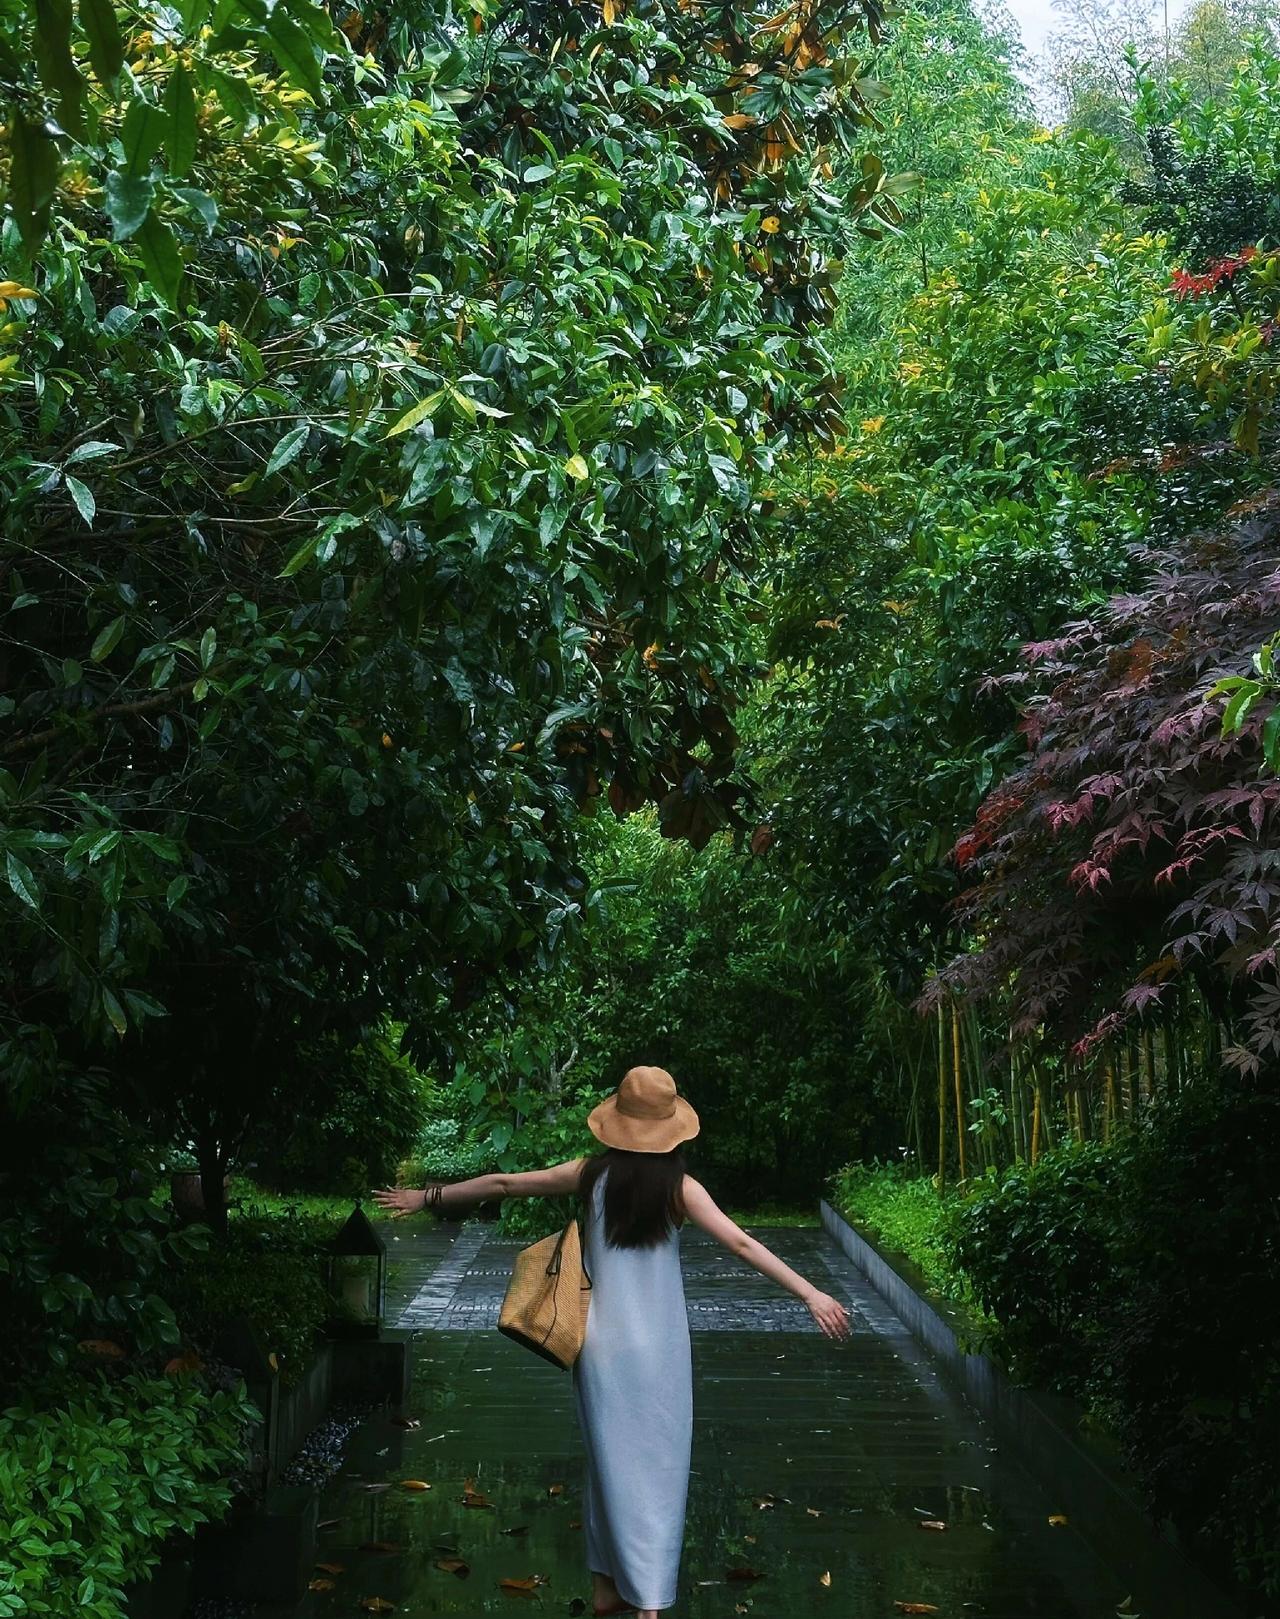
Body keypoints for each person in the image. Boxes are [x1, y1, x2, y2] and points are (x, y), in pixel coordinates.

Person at [374, 1065, 851, 1618]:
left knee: (608, 1465)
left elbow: (505, 1184)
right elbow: (742, 1244)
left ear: (617, 1124)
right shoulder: (681, 1189)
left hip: (599, 1347)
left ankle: (609, 1590)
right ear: (671, 1129)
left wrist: (426, 1196)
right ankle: (646, 1602)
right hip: (661, 1352)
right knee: (656, 1471)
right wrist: (810, 1293)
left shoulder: (591, 1176)